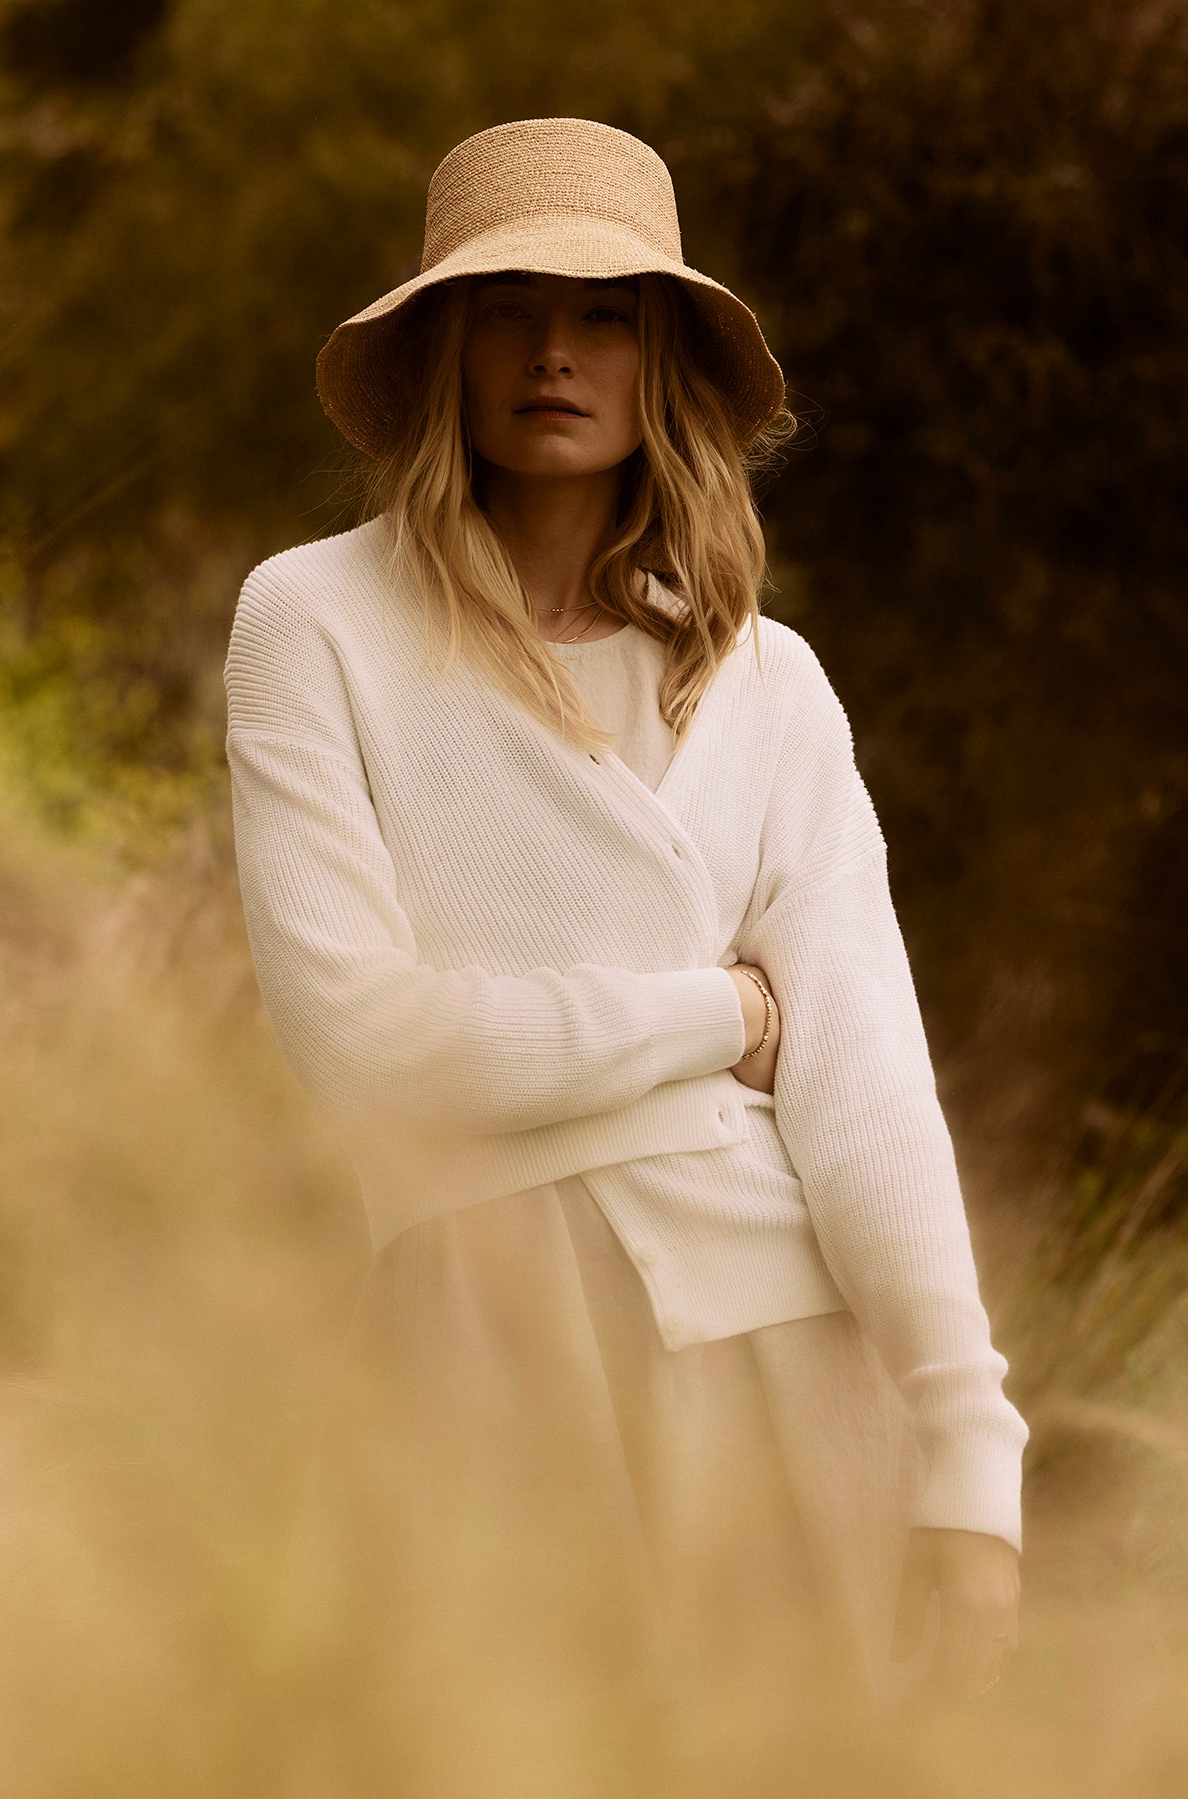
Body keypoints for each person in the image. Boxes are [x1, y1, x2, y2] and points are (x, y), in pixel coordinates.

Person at [224, 117, 1027, 1762]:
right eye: (506, 305)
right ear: (442, 341)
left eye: (603, 312)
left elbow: (866, 1076)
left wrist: (967, 1443)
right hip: (476, 1337)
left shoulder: (773, 683)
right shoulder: (313, 623)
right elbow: (370, 1056)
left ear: (663, 355)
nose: (551, 351)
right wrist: (717, 1020)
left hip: (787, 1350)